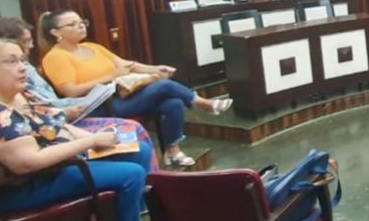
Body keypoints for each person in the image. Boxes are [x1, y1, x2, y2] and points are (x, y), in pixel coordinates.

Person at [0, 38, 157, 221]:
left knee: (138, 149)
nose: (22, 68)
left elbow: (57, 125)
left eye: (23, 61)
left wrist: (97, 140)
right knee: (132, 173)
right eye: (11, 61)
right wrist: (89, 141)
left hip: (56, 167)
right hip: (29, 185)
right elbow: (28, 163)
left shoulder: (22, 96)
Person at [38, 10, 232, 167]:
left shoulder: (93, 47)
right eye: (72, 24)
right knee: (163, 86)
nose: (80, 26)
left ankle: (172, 151)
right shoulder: (55, 57)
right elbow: (69, 91)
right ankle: (202, 103)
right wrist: (110, 76)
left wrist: (155, 68)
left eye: (81, 22)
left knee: (172, 103)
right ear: (56, 32)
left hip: (122, 96)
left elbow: (127, 65)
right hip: (98, 107)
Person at [0, 18, 157, 169]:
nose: (31, 47)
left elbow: (45, 111)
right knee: (133, 129)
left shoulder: (19, 76)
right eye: (26, 42)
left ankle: (151, 188)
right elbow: (30, 155)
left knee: (164, 102)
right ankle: (150, 191)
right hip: (59, 147)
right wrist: (86, 133)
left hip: (63, 126)